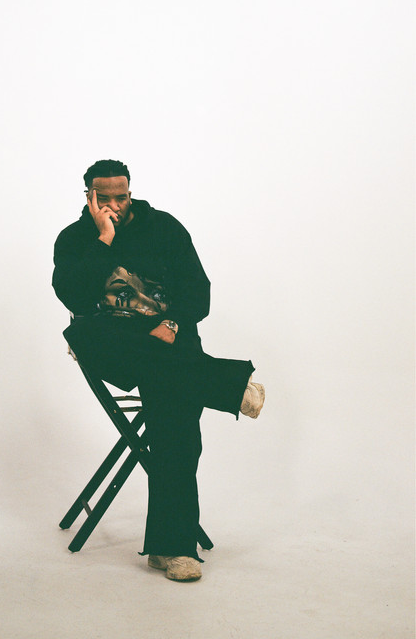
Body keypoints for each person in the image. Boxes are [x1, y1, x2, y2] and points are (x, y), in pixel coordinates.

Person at [52, 159, 265, 582]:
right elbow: (74, 298)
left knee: (175, 421)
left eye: (121, 197)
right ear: (88, 196)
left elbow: (198, 292)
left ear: (130, 193)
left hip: (169, 342)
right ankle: (226, 384)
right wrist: (104, 240)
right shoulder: (74, 239)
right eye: (103, 198)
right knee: (87, 335)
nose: (114, 205)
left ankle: (174, 550)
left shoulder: (164, 228)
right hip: (117, 346)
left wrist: (171, 324)